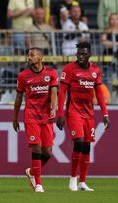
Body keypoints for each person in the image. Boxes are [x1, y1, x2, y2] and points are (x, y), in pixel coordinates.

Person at [57, 42, 110, 191]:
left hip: (89, 114)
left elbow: (99, 94)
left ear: (89, 55)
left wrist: (105, 114)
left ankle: (82, 182)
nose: (80, 56)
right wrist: (60, 113)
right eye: (78, 53)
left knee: (87, 147)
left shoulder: (95, 70)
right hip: (74, 112)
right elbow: (62, 92)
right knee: (79, 143)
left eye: (83, 53)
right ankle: (73, 179)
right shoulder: (69, 69)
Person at [13, 47, 58, 193]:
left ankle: (32, 172)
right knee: (36, 148)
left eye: (32, 55)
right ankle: (38, 183)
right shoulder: (23, 76)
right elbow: (19, 97)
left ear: (40, 57)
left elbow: (54, 93)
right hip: (31, 116)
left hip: (46, 117)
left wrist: (53, 108)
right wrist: (15, 118)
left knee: (48, 153)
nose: (29, 58)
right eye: (28, 56)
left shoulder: (51, 73)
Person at [101, 13, 118, 91]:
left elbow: (107, 43)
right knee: (107, 77)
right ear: (109, 21)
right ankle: (108, 96)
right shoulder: (106, 31)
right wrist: (115, 44)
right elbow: (104, 43)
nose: (114, 21)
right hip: (108, 56)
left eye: (116, 19)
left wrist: (110, 43)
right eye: (112, 19)